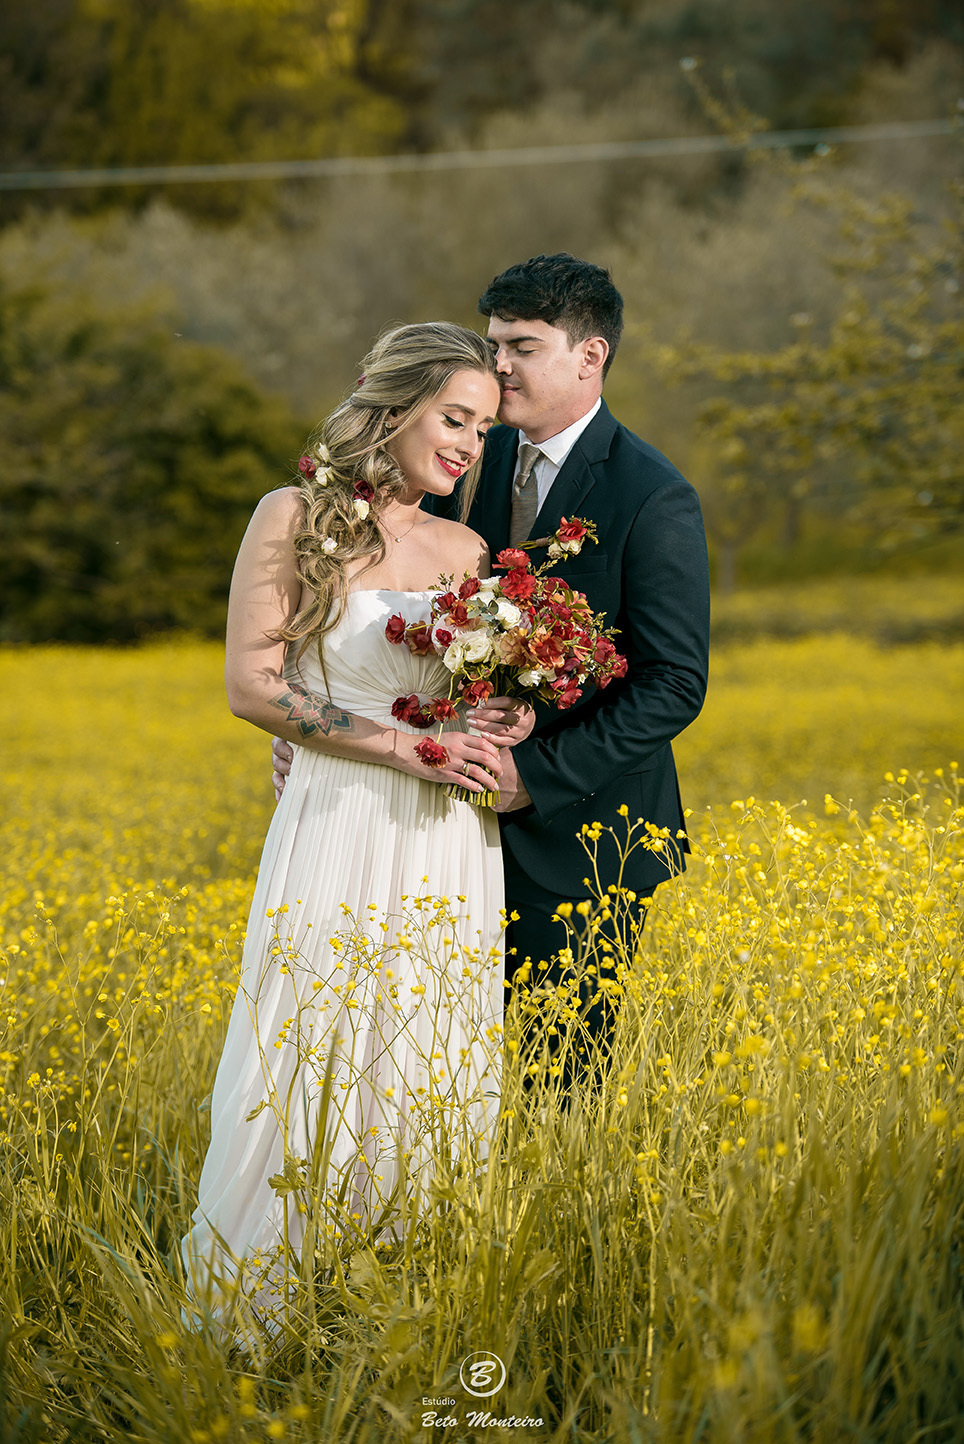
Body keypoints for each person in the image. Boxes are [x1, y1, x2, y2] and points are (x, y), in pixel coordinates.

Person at [274, 256, 711, 1053]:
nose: (498, 364)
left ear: (590, 355)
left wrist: (530, 776)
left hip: (580, 837)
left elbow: (675, 682)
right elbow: (379, 602)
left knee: (558, 1076)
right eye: (494, 343)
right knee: (422, 1059)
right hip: (429, 825)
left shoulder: (652, 493)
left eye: (522, 346)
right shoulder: (465, 455)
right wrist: (316, 720)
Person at [182, 322, 526, 1326]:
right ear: (395, 404)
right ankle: (261, 1307)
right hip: (336, 814)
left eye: (483, 429)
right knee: (308, 1041)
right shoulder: (290, 515)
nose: (468, 445)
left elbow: (475, 699)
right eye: (454, 418)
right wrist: (393, 744)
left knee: (426, 1052)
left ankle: (403, 1308)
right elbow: (254, 686)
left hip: (443, 836)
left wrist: (505, 717)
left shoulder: (466, 549)